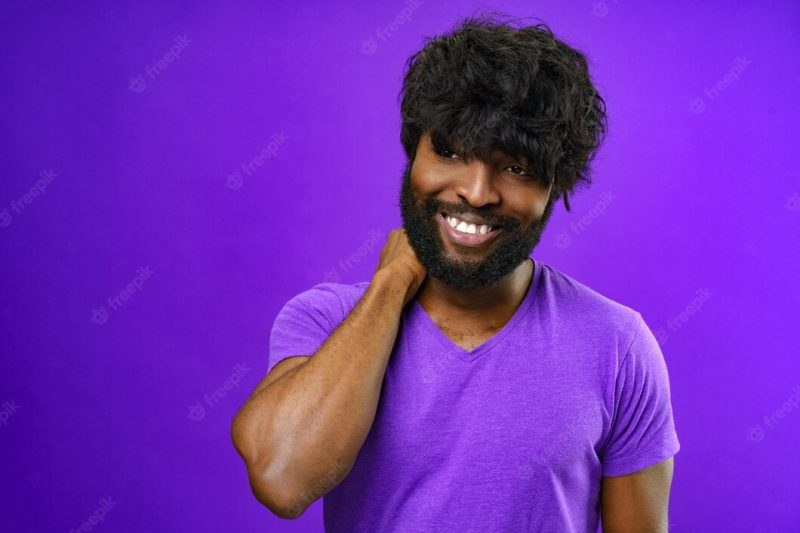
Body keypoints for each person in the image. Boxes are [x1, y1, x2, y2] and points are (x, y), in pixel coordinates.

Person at [232, 13, 680, 532]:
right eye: (450, 151)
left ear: (553, 188)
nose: (476, 192)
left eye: (515, 167)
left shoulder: (617, 345)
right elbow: (282, 480)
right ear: (413, 156)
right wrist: (391, 285)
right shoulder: (325, 318)